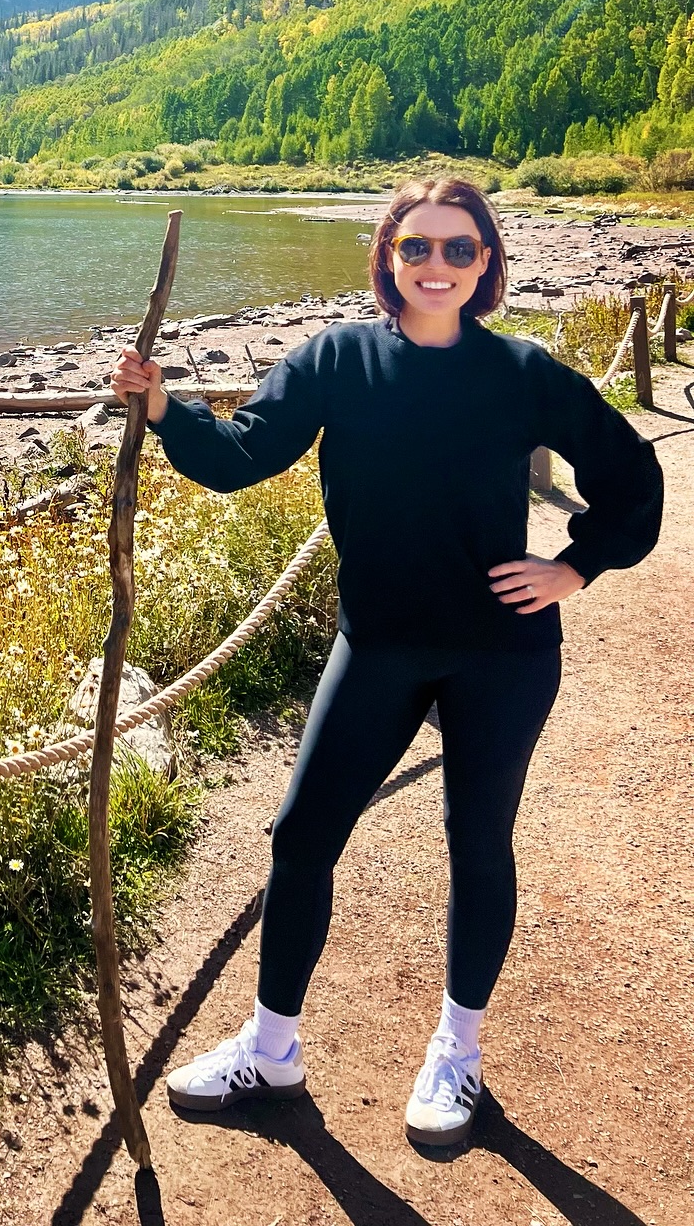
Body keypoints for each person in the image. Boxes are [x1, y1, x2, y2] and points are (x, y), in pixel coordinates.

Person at [110, 176, 662, 1148]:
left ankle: (459, 1053)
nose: (436, 265)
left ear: (486, 263)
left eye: (458, 248)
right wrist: (163, 409)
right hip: (378, 645)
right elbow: (244, 453)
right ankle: (272, 1047)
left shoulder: (522, 373)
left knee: (476, 845)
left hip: (504, 653)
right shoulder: (339, 360)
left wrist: (573, 567)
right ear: (388, 258)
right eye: (418, 248)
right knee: (301, 837)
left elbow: (632, 478)